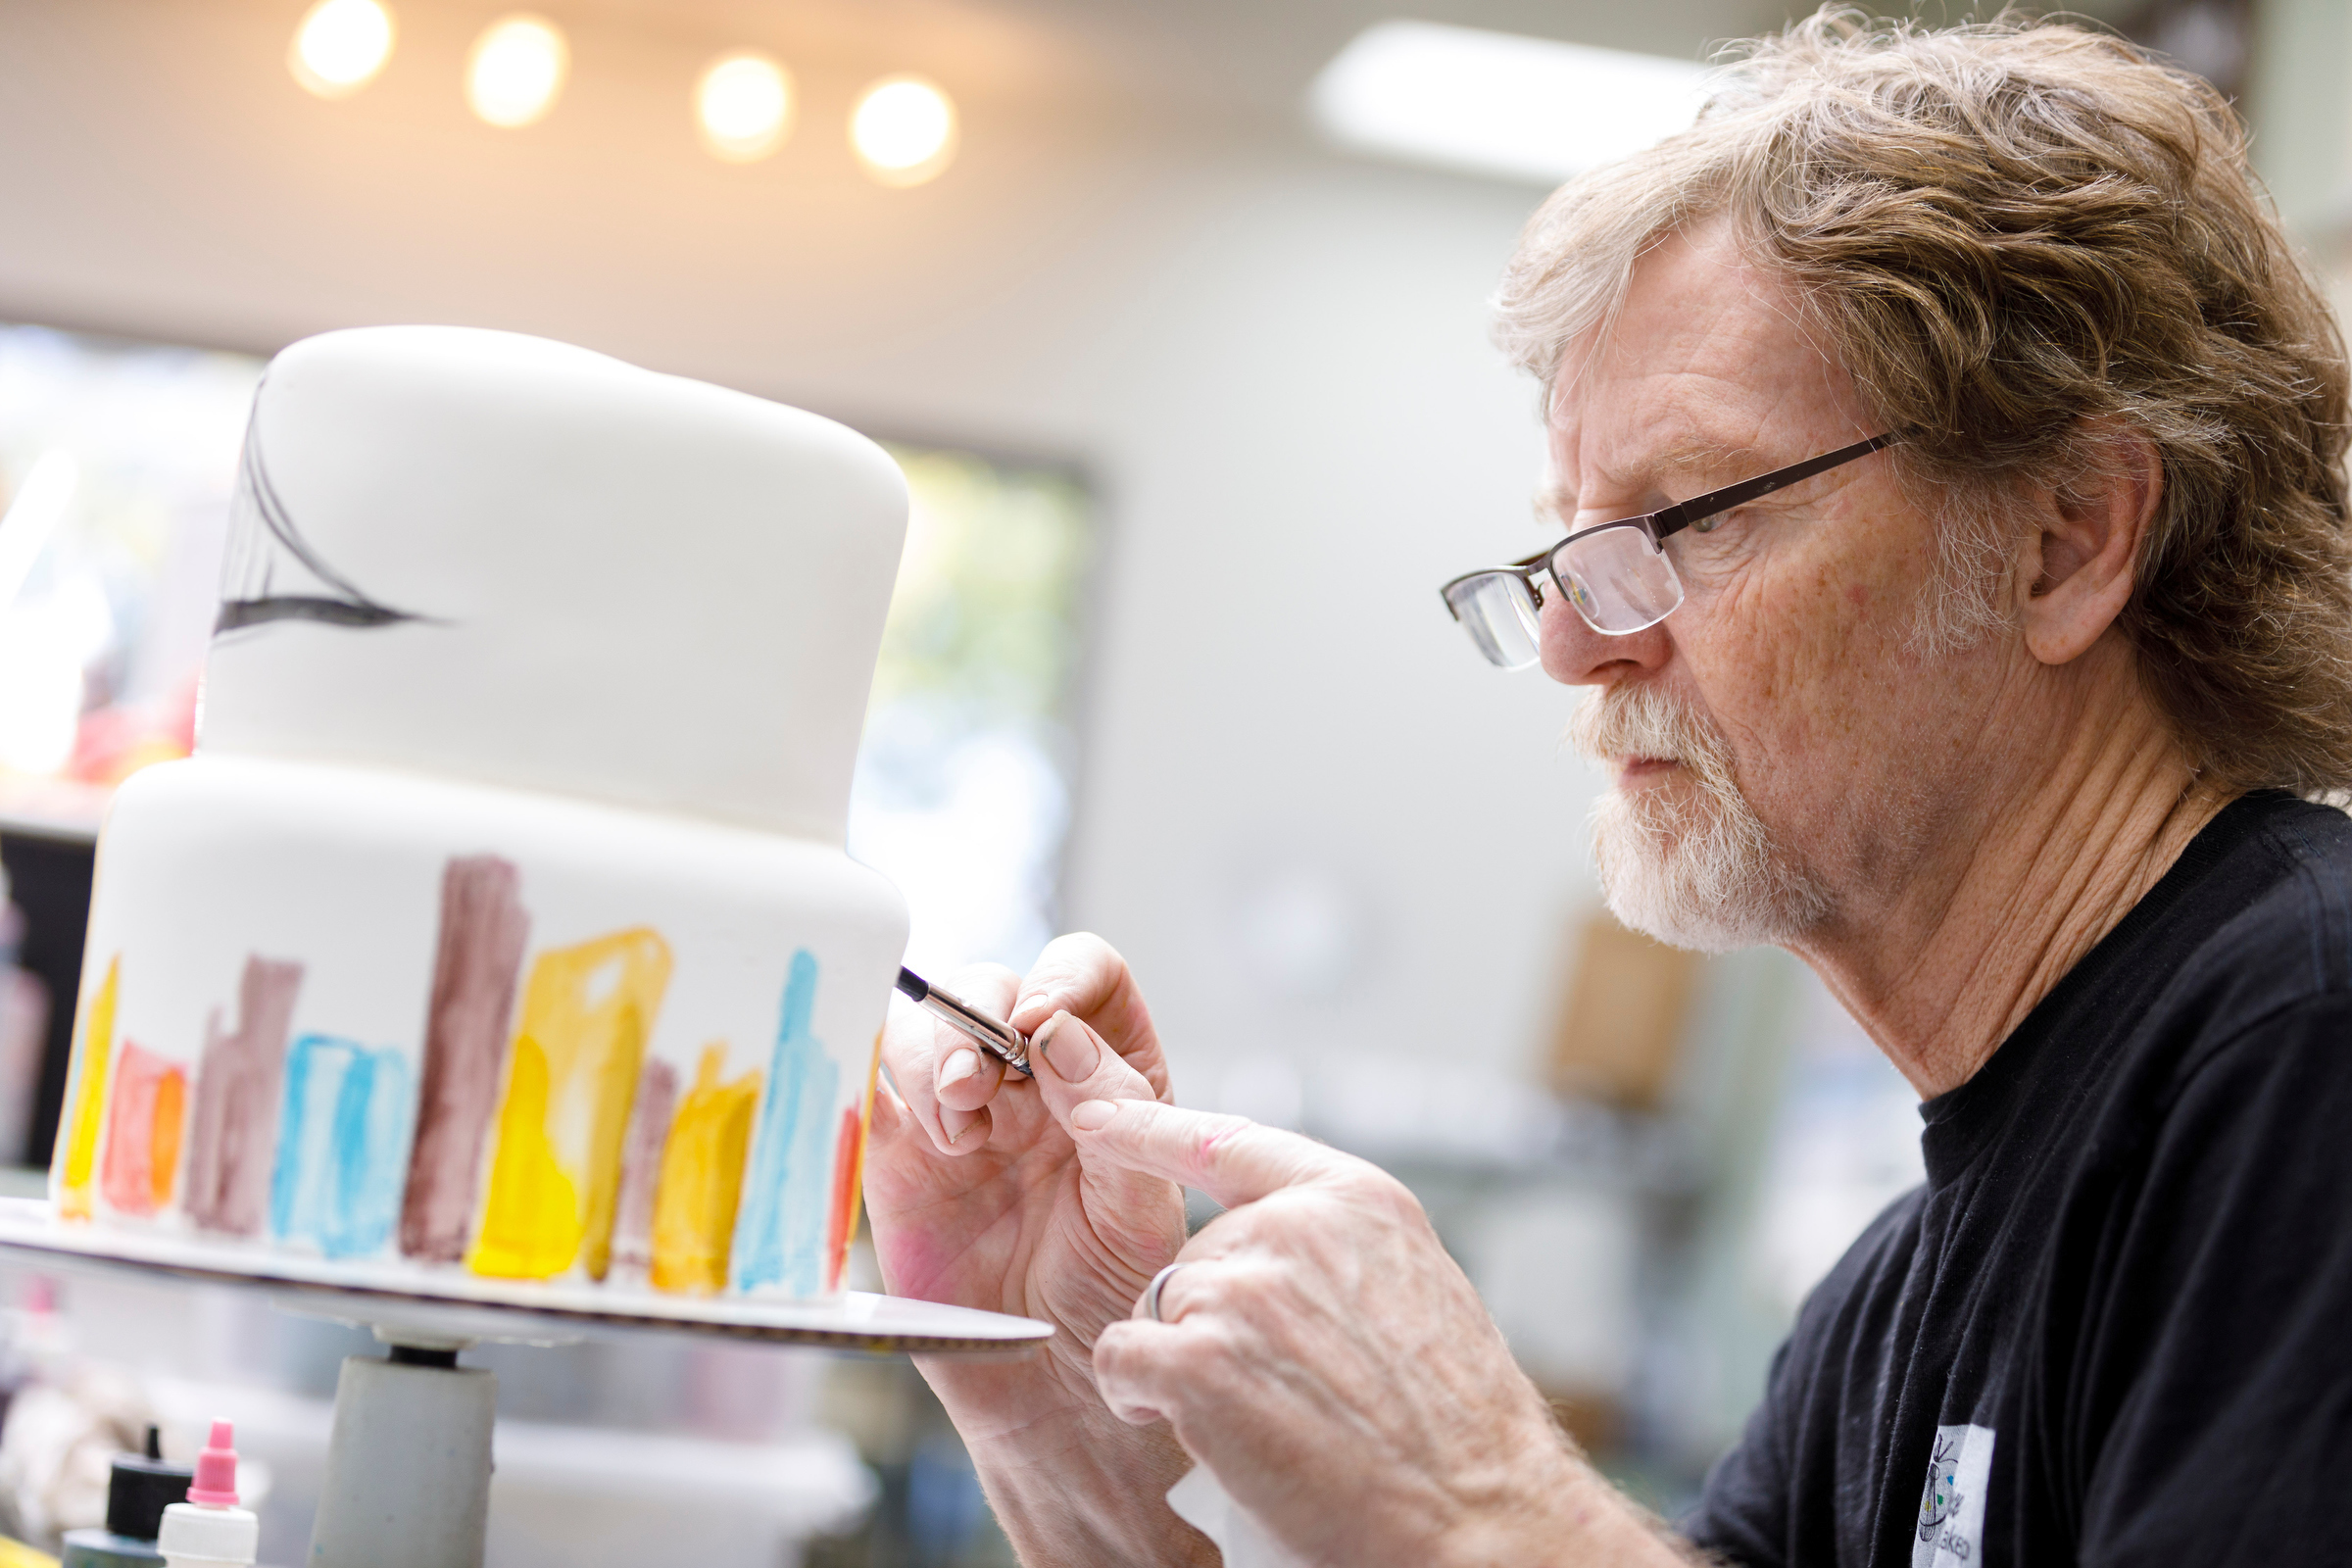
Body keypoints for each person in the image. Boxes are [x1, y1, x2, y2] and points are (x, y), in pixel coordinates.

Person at [861, 13, 2352, 1565]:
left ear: (2066, 538)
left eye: (1686, 516)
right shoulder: (1898, 1290)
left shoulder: (2304, 1050)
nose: (1574, 644)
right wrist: (1052, 1391)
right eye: (1565, 548)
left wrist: (1484, 1504)